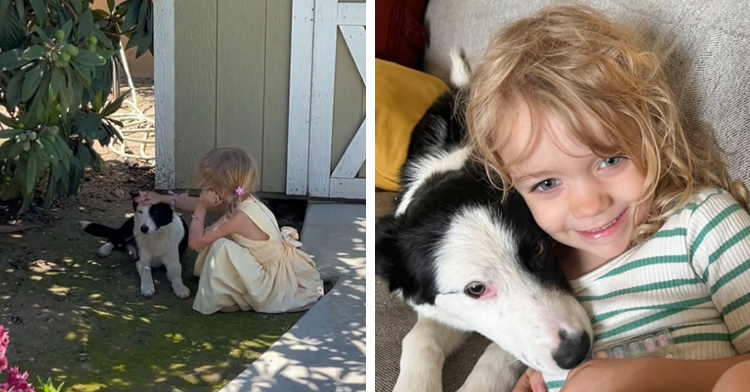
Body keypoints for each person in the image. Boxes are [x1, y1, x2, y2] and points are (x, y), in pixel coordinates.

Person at [464, 5, 750, 392]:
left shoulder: (703, 224)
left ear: (653, 131)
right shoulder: (540, 284)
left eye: (610, 160)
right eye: (546, 183)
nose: (589, 205)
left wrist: (643, 378)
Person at [137, 147, 324, 315]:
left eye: (207, 182)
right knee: (222, 242)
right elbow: (197, 203)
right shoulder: (242, 200)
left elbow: (196, 242)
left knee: (220, 246)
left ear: (220, 186)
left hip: (269, 281)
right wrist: (162, 198)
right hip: (270, 264)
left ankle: (237, 299)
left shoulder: (238, 217)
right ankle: (240, 290)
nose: (203, 187)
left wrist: (202, 207)